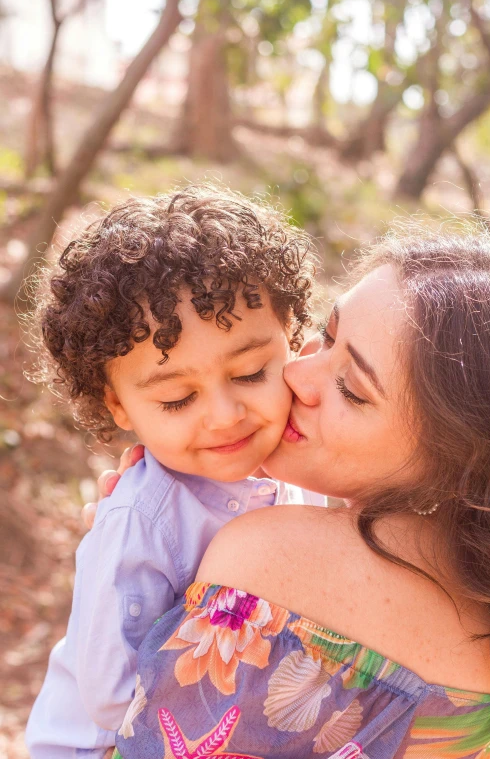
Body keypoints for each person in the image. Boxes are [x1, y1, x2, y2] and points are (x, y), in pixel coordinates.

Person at [100, 225, 490, 758]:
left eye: (351, 389)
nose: (296, 374)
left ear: (461, 460)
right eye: (326, 334)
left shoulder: (267, 560)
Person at [25, 184, 326, 759]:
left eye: (251, 372)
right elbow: (113, 697)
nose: (224, 416)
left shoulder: (305, 477)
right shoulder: (139, 522)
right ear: (118, 407)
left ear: (290, 340)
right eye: (176, 400)